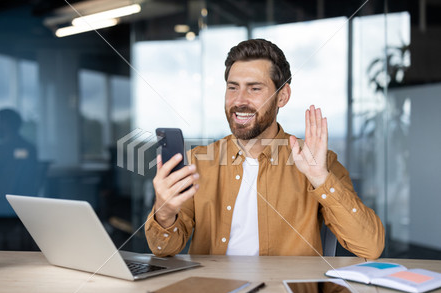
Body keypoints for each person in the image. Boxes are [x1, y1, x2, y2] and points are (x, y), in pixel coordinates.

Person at [145, 39, 384, 258]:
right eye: (232, 87)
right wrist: (164, 213)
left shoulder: (318, 161)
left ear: (282, 97)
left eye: (254, 88)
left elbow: (370, 247)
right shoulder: (197, 162)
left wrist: (320, 178)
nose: (239, 100)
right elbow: (163, 249)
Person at [0, 108, 38, 216]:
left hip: (1, 204)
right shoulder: (30, 148)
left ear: (6, 124)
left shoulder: (1, 149)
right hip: (26, 204)